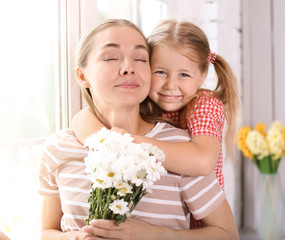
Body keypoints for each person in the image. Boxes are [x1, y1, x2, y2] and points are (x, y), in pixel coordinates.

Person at [38, 19, 239, 240]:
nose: (128, 68)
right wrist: (74, 238)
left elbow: (227, 234)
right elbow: (47, 232)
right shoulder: (57, 148)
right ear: (82, 76)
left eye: (140, 59)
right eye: (111, 57)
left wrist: (154, 235)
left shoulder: (181, 149)